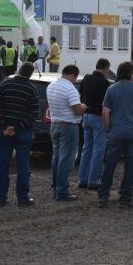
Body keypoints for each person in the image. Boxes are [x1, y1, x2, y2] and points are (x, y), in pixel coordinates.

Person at [99, 62, 133, 208]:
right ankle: (125, 198)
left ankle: (103, 196)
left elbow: (105, 112)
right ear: (130, 73)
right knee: (131, 166)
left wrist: (108, 128)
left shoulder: (111, 89)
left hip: (116, 132)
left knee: (110, 165)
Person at [0, 63, 40, 207]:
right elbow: (33, 114)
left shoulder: (4, 85)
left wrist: (5, 126)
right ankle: (22, 197)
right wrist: (18, 127)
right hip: (23, 132)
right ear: (30, 74)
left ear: (18, 70)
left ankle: (1, 197)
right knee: (23, 165)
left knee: (4, 164)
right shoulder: (32, 89)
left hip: (4, 131)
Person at [47, 65, 87, 202]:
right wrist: (84, 106)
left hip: (55, 124)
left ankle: (56, 187)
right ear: (73, 75)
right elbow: (78, 110)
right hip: (69, 127)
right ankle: (62, 190)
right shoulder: (70, 89)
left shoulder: (51, 85)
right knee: (67, 159)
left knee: (56, 157)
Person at [78, 59, 111, 190]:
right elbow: (107, 103)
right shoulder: (105, 83)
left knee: (86, 148)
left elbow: (80, 93)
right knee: (98, 150)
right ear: (106, 68)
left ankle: (83, 179)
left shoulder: (86, 78)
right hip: (98, 117)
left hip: (85, 116)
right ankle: (93, 180)